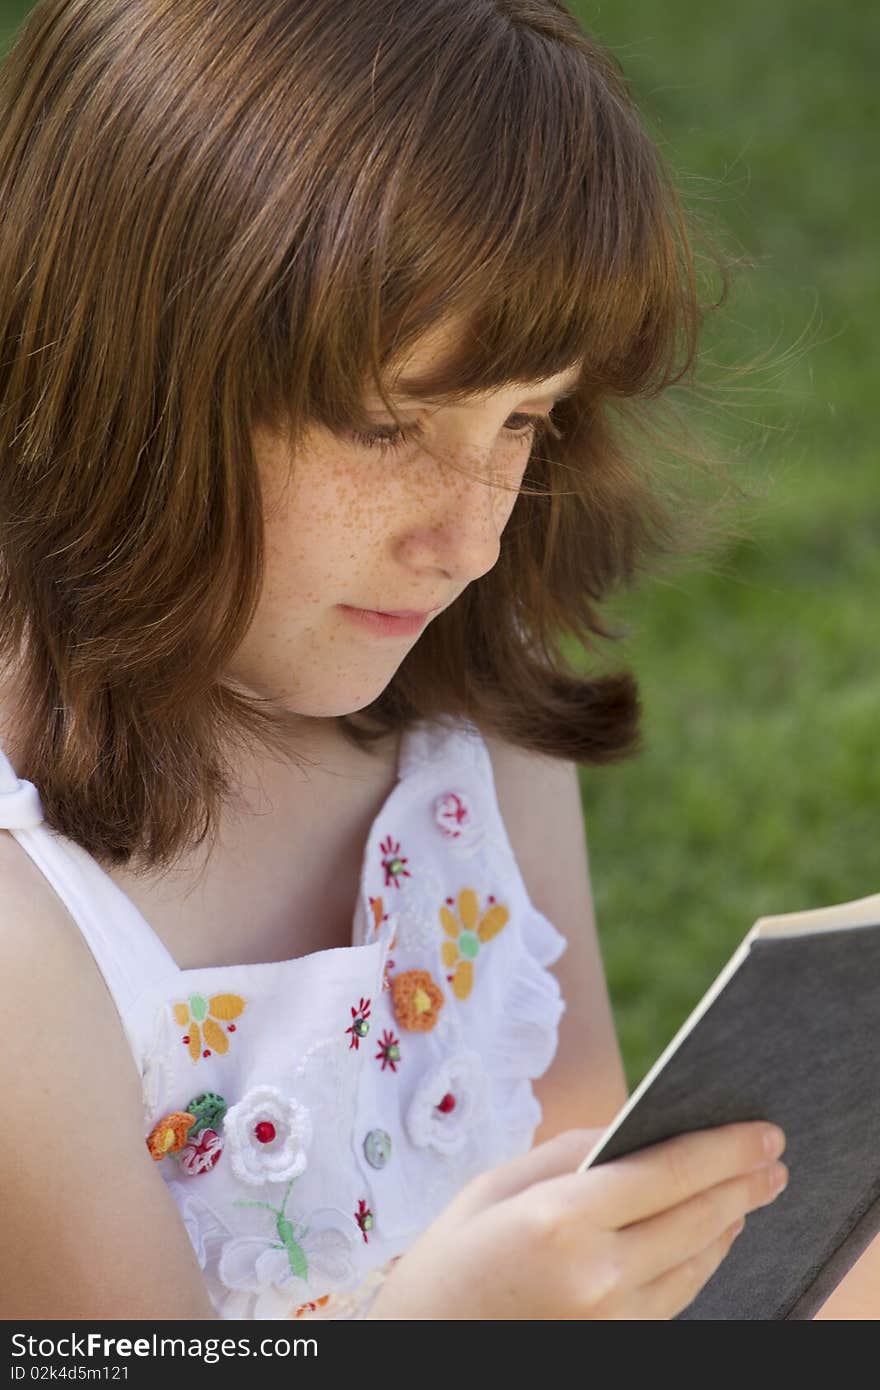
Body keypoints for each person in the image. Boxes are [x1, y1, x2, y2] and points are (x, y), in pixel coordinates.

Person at [0, 0, 792, 1321]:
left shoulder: (471, 731)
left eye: (526, 416)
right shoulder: (29, 916)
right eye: (383, 427)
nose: (471, 535)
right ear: (128, 376)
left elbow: (575, 1159)